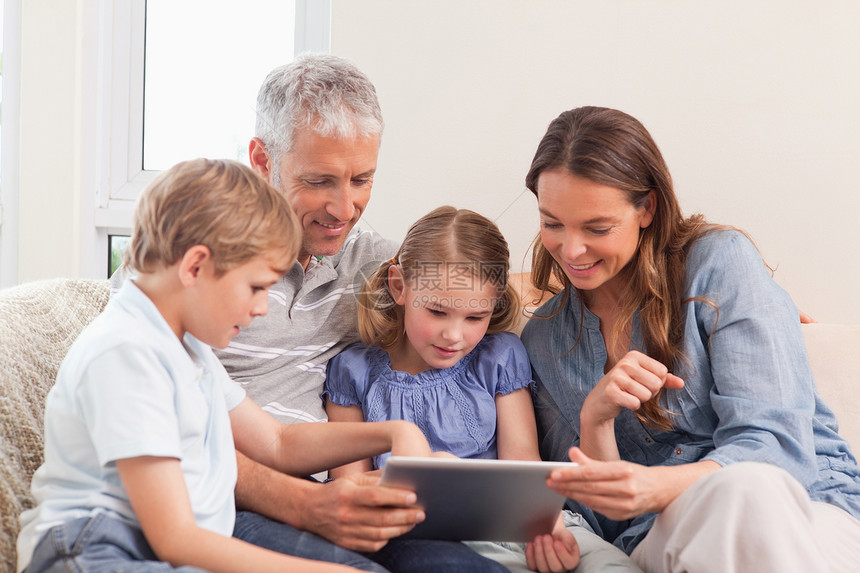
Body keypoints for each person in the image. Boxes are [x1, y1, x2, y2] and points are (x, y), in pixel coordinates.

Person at [17, 158, 436, 573]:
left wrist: (393, 433)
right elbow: (175, 538)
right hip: (97, 548)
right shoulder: (126, 352)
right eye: (256, 287)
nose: (259, 308)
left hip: (155, 547)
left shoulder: (185, 348)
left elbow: (278, 442)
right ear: (195, 266)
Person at [520, 106, 860, 572]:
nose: (571, 250)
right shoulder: (546, 337)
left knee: (746, 490)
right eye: (552, 223)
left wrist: (656, 487)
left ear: (647, 208)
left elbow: (778, 449)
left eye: (597, 228)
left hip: (809, 508)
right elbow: (603, 522)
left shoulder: (718, 265)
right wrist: (595, 420)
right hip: (667, 535)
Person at [212, 54, 510, 572]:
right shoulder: (197, 268)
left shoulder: (374, 265)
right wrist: (305, 503)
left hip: (343, 492)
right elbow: (156, 424)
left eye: (361, 180)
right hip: (235, 497)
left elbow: (467, 290)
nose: (344, 209)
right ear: (263, 159)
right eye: (320, 180)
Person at [324, 206, 642, 573]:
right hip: (423, 541)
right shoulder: (353, 372)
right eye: (437, 312)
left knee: (612, 565)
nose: (454, 336)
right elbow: (349, 488)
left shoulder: (500, 356)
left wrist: (543, 521)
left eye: (475, 317)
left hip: (517, 523)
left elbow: (522, 458)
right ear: (399, 287)